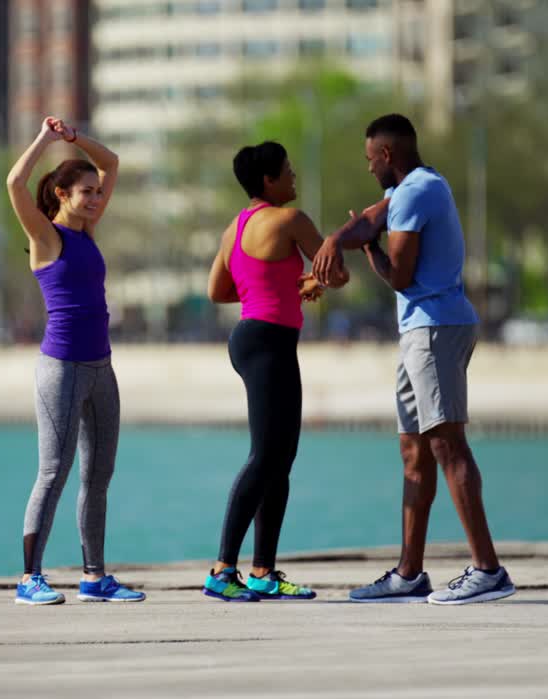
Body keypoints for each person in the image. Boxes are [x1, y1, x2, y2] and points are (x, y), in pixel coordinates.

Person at [311, 113, 516, 605]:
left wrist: (368, 252)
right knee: (413, 452)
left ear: (386, 155)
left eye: (369, 160)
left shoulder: (416, 192)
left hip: (434, 327)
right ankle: (408, 574)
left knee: (447, 444)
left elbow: (400, 276)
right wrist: (336, 240)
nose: (367, 169)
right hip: (420, 330)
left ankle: (488, 570)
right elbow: (367, 219)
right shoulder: (414, 188)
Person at [202, 141, 355, 601]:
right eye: (288, 172)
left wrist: (278, 290)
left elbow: (218, 290)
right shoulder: (292, 221)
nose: (294, 179)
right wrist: (320, 277)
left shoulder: (235, 227)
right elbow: (339, 274)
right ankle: (222, 571)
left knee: (279, 458)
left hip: (251, 336)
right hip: (269, 343)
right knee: (267, 457)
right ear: (269, 180)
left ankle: (264, 571)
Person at [5, 116, 144, 605]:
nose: (96, 197)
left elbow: (112, 162)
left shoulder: (87, 231)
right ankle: (29, 579)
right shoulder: (48, 238)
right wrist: (45, 139)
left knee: (98, 475)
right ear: (62, 195)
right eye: (86, 192)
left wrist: (74, 138)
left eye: (97, 192)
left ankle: (94, 576)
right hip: (61, 369)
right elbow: (14, 182)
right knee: (53, 473)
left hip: (101, 368)